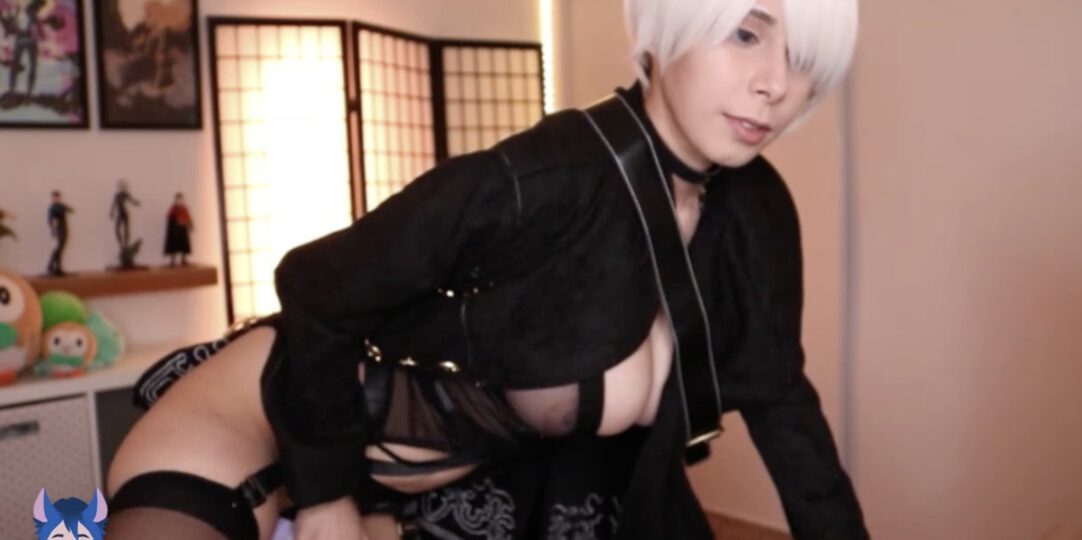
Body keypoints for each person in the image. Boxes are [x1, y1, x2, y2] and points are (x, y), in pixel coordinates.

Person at [105, 0, 868, 538]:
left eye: (801, 58)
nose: (776, 83)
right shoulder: (547, 177)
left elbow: (781, 404)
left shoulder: (756, 216)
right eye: (745, 34)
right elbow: (317, 284)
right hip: (268, 413)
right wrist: (329, 500)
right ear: (668, 27)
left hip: (424, 487)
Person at [46, 190, 72, 276]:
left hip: (64, 227)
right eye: (54, 197)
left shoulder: (61, 206)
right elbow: (50, 220)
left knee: (60, 249)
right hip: (58, 228)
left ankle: (58, 268)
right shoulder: (52, 207)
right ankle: (50, 266)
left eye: (57, 197)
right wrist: (52, 230)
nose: (56, 199)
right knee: (58, 248)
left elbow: (71, 210)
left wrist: (63, 206)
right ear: (52, 198)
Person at [164, 192, 193, 266]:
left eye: (181, 199)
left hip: (183, 229)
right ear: (176, 199)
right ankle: (172, 260)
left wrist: (190, 225)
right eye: (178, 199)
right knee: (174, 245)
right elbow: (169, 216)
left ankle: (183, 259)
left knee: (184, 245)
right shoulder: (173, 208)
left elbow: (187, 217)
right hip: (175, 230)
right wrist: (175, 221)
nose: (180, 201)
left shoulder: (184, 208)